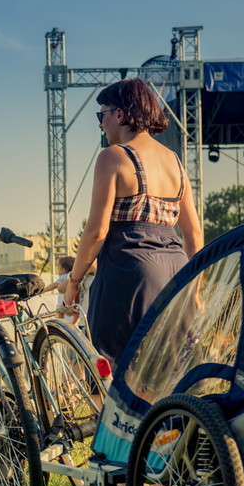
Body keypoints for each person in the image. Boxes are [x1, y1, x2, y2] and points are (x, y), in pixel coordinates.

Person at [65, 78, 203, 373]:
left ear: (120, 114)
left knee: (108, 371)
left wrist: (74, 281)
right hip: (176, 272)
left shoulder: (113, 157)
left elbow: (97, 232)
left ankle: (110, 421)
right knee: (167, 373)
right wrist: (196, 289)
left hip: (129, 272)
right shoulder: (175, 162)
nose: (100, 124)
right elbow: (193, 234)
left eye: (102, 115)